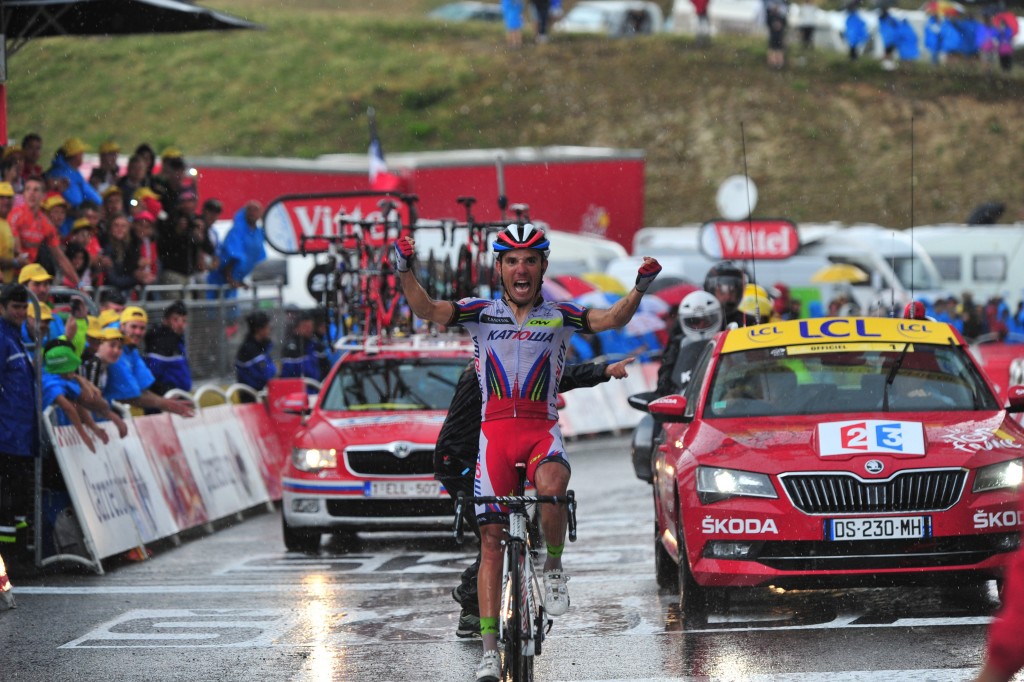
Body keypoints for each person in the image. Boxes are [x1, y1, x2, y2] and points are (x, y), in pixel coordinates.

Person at [393, 223, 661, 682]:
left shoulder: (559, 314)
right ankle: (487, 653)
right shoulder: (480, 312)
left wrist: (639, 287)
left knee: (554, 488)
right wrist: (404, 268)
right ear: (499, 268)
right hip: (494, 437)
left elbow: (612, 319)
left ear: (542, 268)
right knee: (492, 544)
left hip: (541, 432)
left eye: (530, 261)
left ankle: (553, 567)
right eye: (512, 260)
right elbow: (427, 308)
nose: (522, 269)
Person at [440, 356, 636, 638]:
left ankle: (476, 605)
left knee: (510, 530)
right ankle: (471, 598)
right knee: (495, 534)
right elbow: (560, 377)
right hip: (462, 458)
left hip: (495, 453)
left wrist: (601, 371)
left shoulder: (505, 363)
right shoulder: (490, 370)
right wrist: (602, 370)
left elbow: (555, 377)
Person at [0, 284, 38, 559]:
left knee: (21, 496)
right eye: (16, 307)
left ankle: (20, 554)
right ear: (2, 308)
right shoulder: (3, 339)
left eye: (24, 307)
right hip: (7, 433)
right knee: (8, 498)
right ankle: (8, 557)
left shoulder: (16, 338)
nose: (21, 312)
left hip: (22, 433)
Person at [104, 306, 195, 417]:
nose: (138, 332)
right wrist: (167, 404)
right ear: (122, 326)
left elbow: (144, 386)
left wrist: (167, 402)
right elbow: (129, 396)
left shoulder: (130, 347)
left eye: (142, 328)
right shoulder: (112, 342)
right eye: (133, 327)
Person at [8, 176, 80, 287]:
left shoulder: (46, 224)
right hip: (10, 275)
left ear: (43, 195)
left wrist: (79, 284)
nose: (31, 193)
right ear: (24, 194)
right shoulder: (15, 215)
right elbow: (18, 252)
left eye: (36, 190)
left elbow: (61, 258)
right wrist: (39, 277)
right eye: (27, 189)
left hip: (29, 277)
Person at [207, 201, 266, 297]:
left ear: (261, 213)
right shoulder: (237, 231)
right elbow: (231, 255)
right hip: (220, 280)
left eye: (256, 210)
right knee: (215, 306)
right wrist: (230, 279)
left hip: (233, 282)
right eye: (249, 210)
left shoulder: (258, 233)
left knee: (229, 307)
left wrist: (239, 280)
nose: (252, 213)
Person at [144, 300, 193, 396]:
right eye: (175, 319)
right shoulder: (159, 342)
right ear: (165, 320)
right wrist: (167, 393)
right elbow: (152, 377)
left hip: (177, 396)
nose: (180, 324)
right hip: (166, 401)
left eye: (184, 320)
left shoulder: (178, 340)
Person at [280, 310, 330, 382]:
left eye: (310, 326)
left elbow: (326, 369)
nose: (308, 329)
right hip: (299, 389)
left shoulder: (317, 345)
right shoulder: (290, 348)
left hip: (318, 388)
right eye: (305, 326)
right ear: (297, 328)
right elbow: (288, 375)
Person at [235, 311, 276, 396]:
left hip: (261, 395)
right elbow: (266, 375)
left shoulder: (262, 346)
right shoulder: (250, 349)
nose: (269, 330)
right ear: (259, 329)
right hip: (252, 398)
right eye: (267, 327)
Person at [0, 182, 28, 284]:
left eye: (9, 197)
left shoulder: (6, 222)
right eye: (1, 197)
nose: (5, 201)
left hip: (6, 285)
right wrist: (16, 262)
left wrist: (17, 254)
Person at [764, 0, 788, 69]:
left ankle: (779, 64)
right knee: (772, 50)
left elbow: (784, 24)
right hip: (773, 37)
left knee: (779, 50)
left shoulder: (781, 17)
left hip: (779, 37)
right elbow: (768, 23)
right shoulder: (770, 16)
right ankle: (772, 64)